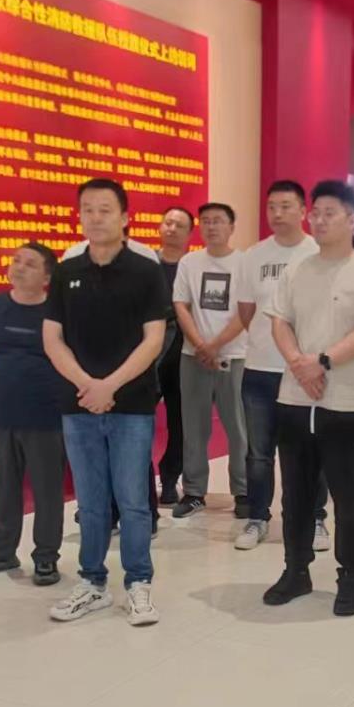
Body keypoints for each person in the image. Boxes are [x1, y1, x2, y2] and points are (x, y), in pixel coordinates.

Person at [263, 180, 354, 617]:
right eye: (315, 212)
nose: (318, 220)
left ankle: (349, 578)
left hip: (348, 402)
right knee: (296, 495)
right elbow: (279, 321)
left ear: (353, 219)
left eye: (329, 213)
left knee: (349, 496)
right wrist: (299, 363)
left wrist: (321, 362)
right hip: (295, 398)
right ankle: (295, 570)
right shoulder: (297, 270)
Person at [43, 178, 170, 626]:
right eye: (88, 210)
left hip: (131, 403)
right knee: (91, 501)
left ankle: (138, 583)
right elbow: (52, 338)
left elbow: (153, 339)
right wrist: (88, 385)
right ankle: (92, 583)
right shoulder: (67, 270)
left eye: (105, 210)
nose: (95, 218)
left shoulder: (145, 270)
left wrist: (110, 385)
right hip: (77, 402)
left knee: (133, 501)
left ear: (124, 217)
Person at [0, 243, 65, 585]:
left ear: (47, 277)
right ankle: (3, 552)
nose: (19, 267)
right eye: (16, 260)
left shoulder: (56, 311)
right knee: (5, 487)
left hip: (46, 415)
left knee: (47, 491)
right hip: (1, 414)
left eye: (30, 264)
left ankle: (46, 557)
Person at [235, 181, 325, 551]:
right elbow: (246, 311)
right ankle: (257, 518)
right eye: (272, 206)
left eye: (286, 206)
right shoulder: (253, 255)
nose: (277, 213)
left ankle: (314, 518)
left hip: (305, 371)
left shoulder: (317, 252)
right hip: (259, 369)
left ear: (303, 211)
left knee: (308, 450)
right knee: (259, 453)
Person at [171, 201, 249, 520]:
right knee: (194, 426)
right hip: (193, 357)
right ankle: (194, 492)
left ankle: (243, 491)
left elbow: (247, 311)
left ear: (231, 227)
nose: (212, 226)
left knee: (238, 428)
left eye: (218, 221)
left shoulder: (244, 263)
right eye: (206, 221)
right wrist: (201, 345)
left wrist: (215, 345)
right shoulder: (189, 262)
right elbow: (180, 305)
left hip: (235, 355)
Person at [153, 206, 192, 505]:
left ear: (189, 233)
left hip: (184, 354)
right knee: (138, 421)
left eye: (179, 225)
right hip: (148, 354)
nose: (172, 229)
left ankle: (169, 477)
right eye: (168, 223)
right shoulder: (145, 264)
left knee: (181, 423)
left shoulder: (194, 267)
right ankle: (138, 481)